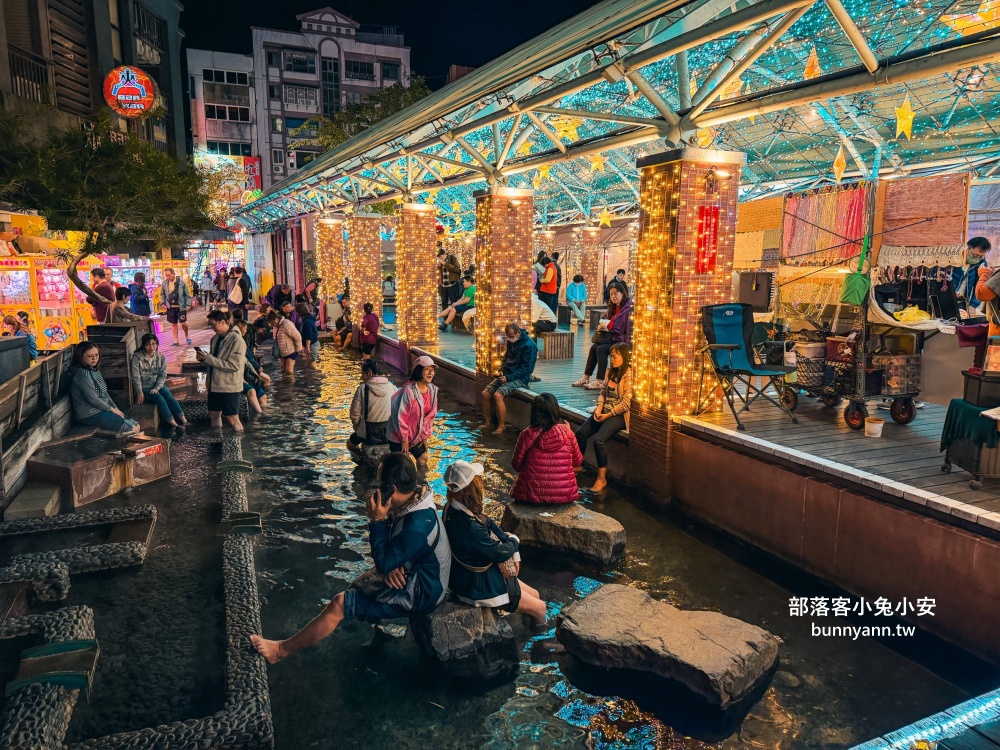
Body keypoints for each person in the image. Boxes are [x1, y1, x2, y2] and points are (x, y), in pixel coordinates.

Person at [250, 452, 451, 664]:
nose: (375, 486)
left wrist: (377, 521)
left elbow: (383, 562)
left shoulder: (418, 525)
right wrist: (396, 564)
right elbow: (398, 553)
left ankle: (280, 651)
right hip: (416, 573)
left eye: (379, 481)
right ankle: (380, 634)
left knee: (340, 603)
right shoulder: (415, 502)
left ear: (391, 489)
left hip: (423, 593)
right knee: (362, 585)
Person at [442, 460, 547, 626]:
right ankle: (538, 645)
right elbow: (500, 553)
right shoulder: (469, 527)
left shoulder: (453, 508)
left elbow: (489, 523)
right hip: (478, 585)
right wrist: (515, 541)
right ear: (472, 489)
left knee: (535, 595)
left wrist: (513, 548)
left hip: (467, 576)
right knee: (540, 608)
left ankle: (525, 631)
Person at [576, 343, 632, 493]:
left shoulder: (630, 376)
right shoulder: (610, 372)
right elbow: (603, 393)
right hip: (604, 410)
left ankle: (601, 479)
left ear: (624, 357)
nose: (612, 359)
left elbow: (626, 403)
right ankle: (579, 465)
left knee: (599, 441)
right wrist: (599, 409)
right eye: (611, 356)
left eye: (615, 356)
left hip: (619, 415)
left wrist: (607, 415)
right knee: (580, 434)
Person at [511, 393, 583, 504]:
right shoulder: (568, 433)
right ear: (555, 410)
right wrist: (568, 431)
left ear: (534, 412)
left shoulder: (527, 434)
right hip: (564, 496)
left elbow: (516, 465)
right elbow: (578, 461)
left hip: (530, 497)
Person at [573, 281, 633, 390]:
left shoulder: (629, 309)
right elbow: (605, 320)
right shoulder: (612, 307)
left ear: (623, 293)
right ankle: (586, 377)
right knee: (594, 347)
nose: (613, 297)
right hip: (611, 337)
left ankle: (599, 381)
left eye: (616, 293)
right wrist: (601, 326)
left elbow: (627, 330)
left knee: (601, 349)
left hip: (621, 341)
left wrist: (611, 329)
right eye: (611, 294)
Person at [70, 342, 139, 433]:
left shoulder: (93, 369)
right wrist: (113, 410)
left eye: (97, 355)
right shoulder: (82, 374)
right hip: (89, 414)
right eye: (90, 356)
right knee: (131, 429)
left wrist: (116, 409)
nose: (95, 358)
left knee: (136, 425)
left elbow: (105, 393)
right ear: (81, 357)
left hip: (102, 409)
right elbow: (93, 399)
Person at [482, 322, 538, 435]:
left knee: (498, 395)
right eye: (509, 337)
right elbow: (506, 358)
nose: (510, 339)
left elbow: (526, 369)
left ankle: (501, 426)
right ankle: (488, 422)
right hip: (507, 374)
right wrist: (502, 370)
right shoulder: (511, 342)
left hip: (521, 378)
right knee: (485, 393)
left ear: (518, 333)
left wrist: (508, 378)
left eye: (512, 337)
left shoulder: (529, 345)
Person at [196, 310, 247, 432]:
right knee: (214, 414)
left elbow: (234, 366)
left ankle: (239, 443)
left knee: (232, 417)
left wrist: (208, 359)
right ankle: (217, 441)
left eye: (214, 325)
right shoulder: (215, 338)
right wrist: (203, 359)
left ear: (223, 322)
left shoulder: (237, 340)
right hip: (214, 385)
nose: (212, 328)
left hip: (229, 386)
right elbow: (214, 359)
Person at [388, 355, 439, 466]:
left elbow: (430, 417)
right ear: (419, 371)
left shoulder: (432, 390)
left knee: (423, 459)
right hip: (398, 435)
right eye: (426, 370)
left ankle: (421, 482)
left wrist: (424, 437)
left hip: (416, 435)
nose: (430, 373)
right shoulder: (408, 391)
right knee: (402, 464)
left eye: (432, 370)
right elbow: (401, 417)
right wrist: (404, 439)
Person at [131, 334, 187, 428]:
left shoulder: (160, 357)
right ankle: (173, 423)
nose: (152, 347)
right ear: (144, 345)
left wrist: (157, 387)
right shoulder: (137, 358)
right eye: (148, 344)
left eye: (154, 344)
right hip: (145, 387)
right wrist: (139, 392)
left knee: (167, 394)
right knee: (159, 398)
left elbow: (163, 374)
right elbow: (136, 377)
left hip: (156, 385)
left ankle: (183, 420)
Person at [348, 360, 396, 450]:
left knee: (350, 444)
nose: (362, 377)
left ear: (369, 373)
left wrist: (358, 428)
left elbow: (354, 414)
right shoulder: (392, 388)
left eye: (363, 374)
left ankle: (359, 459)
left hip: (367, 433)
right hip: (388, 433)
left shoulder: (362, 389)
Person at [232, 309, 271, 413]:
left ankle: (261, 413)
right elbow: (246, 356)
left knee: (261, 393)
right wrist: (257, 367)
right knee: (264, 384)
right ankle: (261, 414)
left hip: (246, 372)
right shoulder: (240, 339)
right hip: (243, 374)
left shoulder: (240, 337)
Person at [955, 237, 992, 313]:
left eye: (981, 256)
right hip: (946, 299)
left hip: (963, 303)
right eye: (975, 255)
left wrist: (973, 305)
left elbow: (980, 285)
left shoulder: (981, 263)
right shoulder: (952, 259)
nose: (977, 258)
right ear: (967, 248)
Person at [160, 268, 192, 346]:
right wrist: (162, 303)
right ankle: (176, 340)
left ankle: (187, 335)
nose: (168, 277)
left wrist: (188, 305)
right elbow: (162, 294)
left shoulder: (182, 282)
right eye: (166, 276)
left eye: (169, 275)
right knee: (173, 324)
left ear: (173, 274)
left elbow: (187, 295)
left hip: (181, 307)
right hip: (170, 307)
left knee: (183, 323)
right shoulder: (164, 283)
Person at [437, 246, 463, 311]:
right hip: (443, 285)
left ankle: (453, 319)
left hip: (452, 284)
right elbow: (439, 272)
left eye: (441, 256)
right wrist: (439, 266)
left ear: (444, 254)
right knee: (444, 303)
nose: (440, 258)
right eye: (439, 257)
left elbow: (456, 269)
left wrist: (445, 264)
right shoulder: (440, 262)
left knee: (453, 302)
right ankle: (445, 319)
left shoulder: (452, 258)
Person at [297, 302, 320, 367]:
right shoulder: (309, 319)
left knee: (312, 363)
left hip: (312, 344)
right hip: (312, 343)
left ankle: (314, 376)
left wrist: (307, 348)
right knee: (309, 362)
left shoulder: (307, 321)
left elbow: (308, 335)